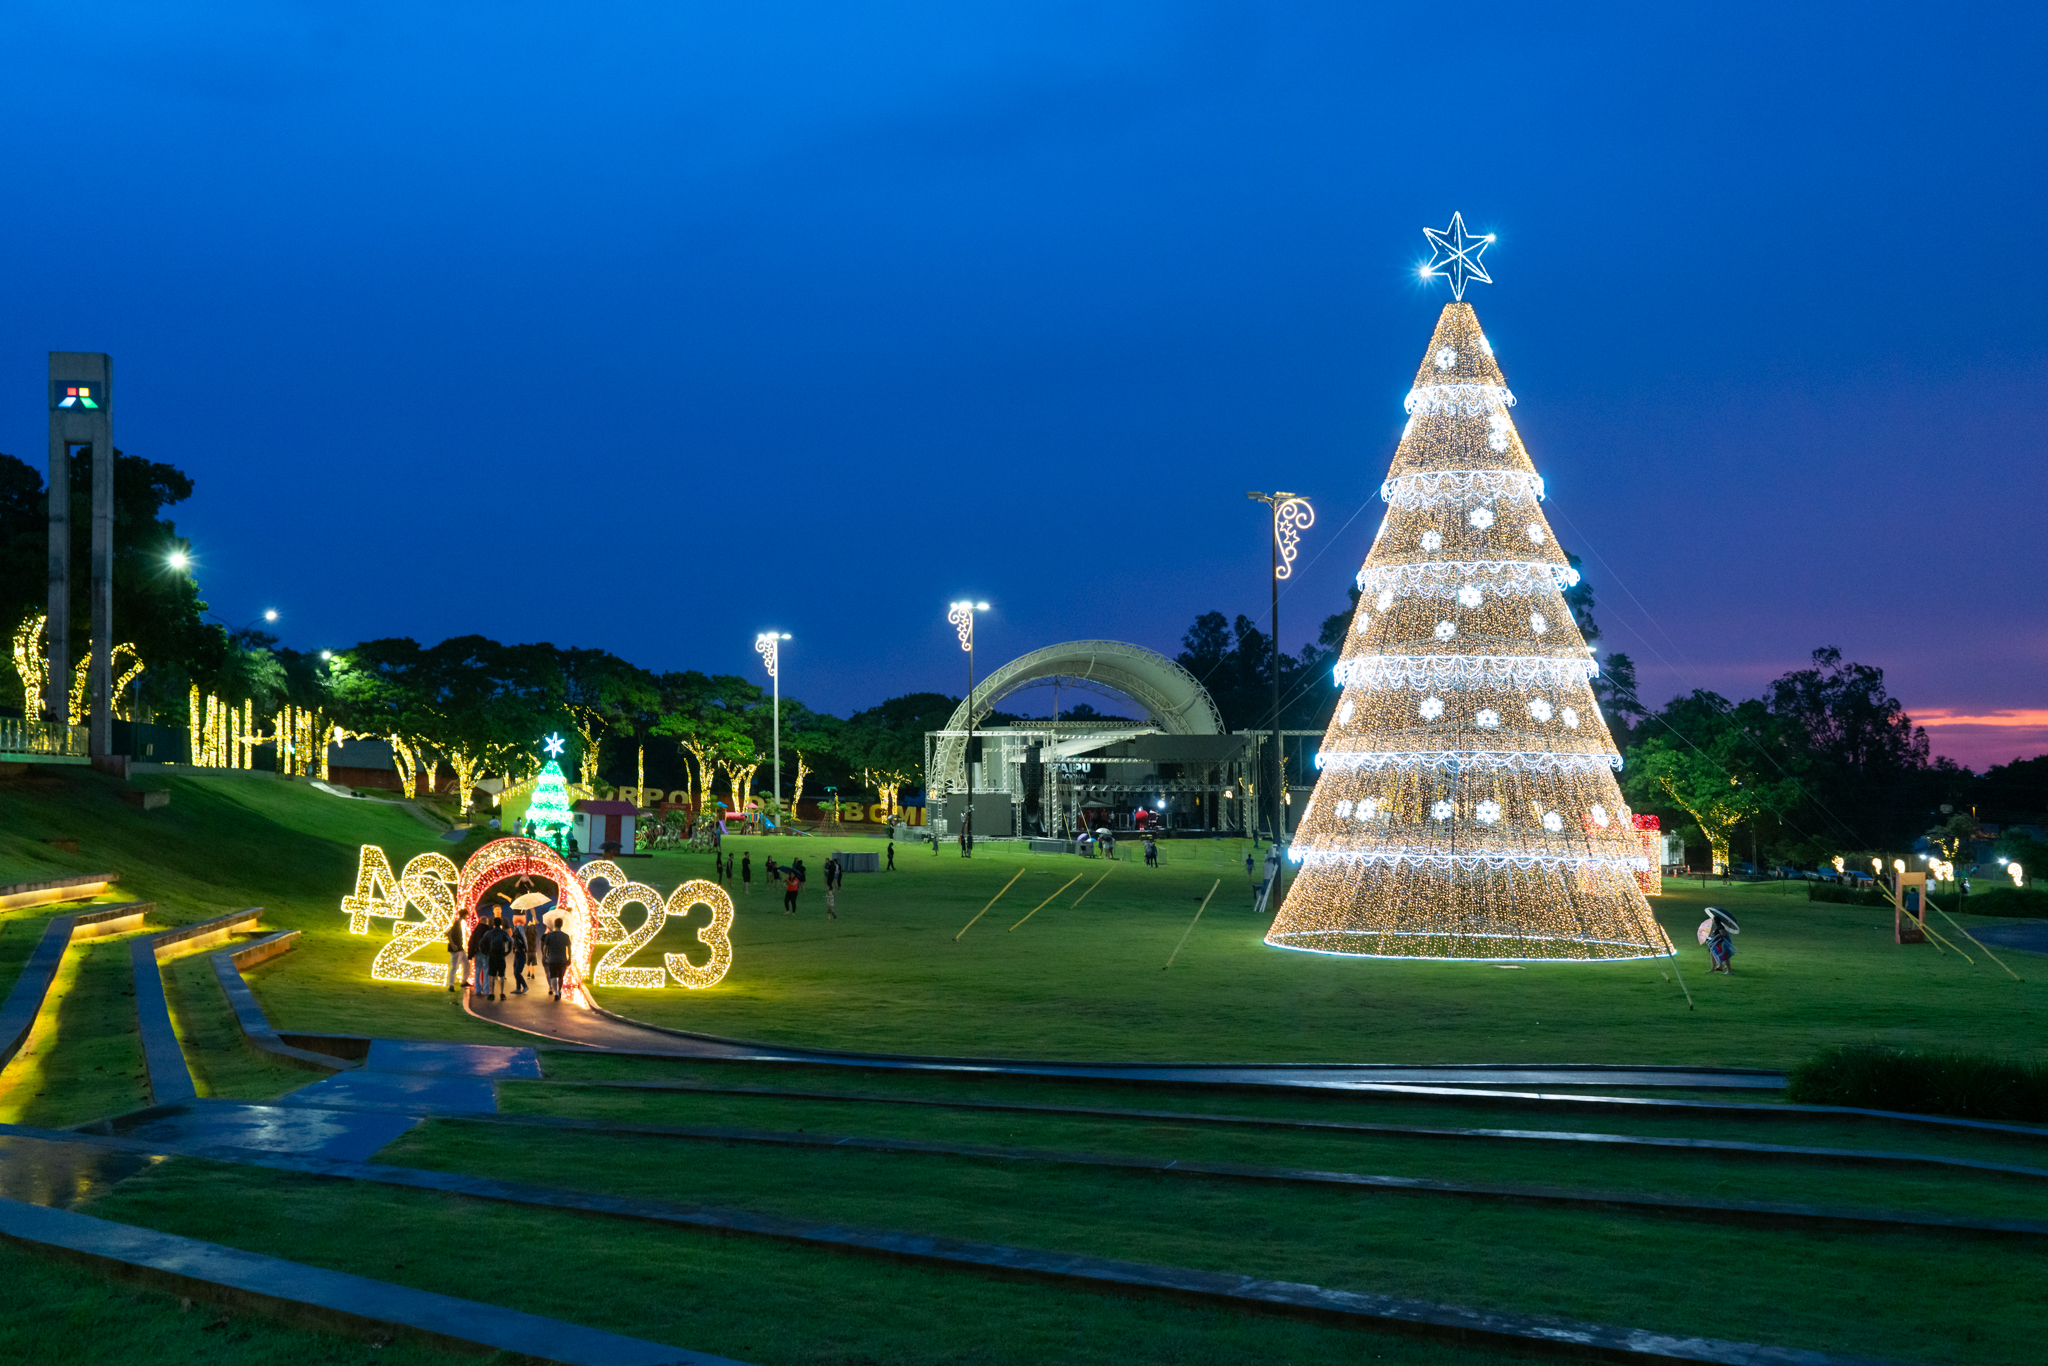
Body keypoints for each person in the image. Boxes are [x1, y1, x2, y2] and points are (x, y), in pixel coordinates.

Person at [1698, 907, 1738, 973]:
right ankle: (1713, 969)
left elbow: (1723, 934)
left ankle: (1729, 970)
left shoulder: (1720, 926)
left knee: (1725, 957)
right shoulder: (1718, 926)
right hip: (1716, 944)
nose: (1712, 921)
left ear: (1715, 921)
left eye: (1713, 920)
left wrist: (1716, 936)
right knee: (1713, 956)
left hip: (1720, 944)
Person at [540, 918, 572, 1000]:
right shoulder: (565, 936)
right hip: (562, 958)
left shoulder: (550, 936)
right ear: (561, 925)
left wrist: (545, 955)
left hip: (552, 958)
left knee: (553, 976)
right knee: (561, 976)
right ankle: (560, 990)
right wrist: (569, 958)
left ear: (555, 925)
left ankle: (556, 992)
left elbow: (545, 947)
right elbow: (569, 948)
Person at [485, 917, 513, 1002]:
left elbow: (483, 941)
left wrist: (486, 951)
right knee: (501, 974)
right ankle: (501, 993)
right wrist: (508, 951)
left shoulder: (489, 933)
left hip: (492, 954)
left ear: (493, 923)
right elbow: (510, 940)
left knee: (492, 975)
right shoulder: (503, 933)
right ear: (501, 924)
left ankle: (492, 993)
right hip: (501, 954)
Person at [467, 913, 493, 1000]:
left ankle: (477, 989)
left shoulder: (476, 930)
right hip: (486, 953)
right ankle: (486, 990)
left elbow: (471, 942)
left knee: (477, 970)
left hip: (477, 952)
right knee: (486, 971)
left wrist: (470, 954)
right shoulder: (489, 930)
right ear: (487, 922)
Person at [511, 913, 536, 995]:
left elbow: (523, 939)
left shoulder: (518, 928)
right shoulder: (517, 929)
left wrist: (525, 949)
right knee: (516, 970)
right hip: (519, 952)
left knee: (517, 971)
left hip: (520, 952)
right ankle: (518, 988)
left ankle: (524, 986)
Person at [444, 911, 467, 992]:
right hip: (455, 948)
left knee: (466, 963)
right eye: (466, 916)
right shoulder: (457, 924)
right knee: (454, 967)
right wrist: (453, 945)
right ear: (464, 915)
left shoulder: (460, 923)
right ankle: (451, 985)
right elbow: (448, 934)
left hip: (460, 948)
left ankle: (464, 981)